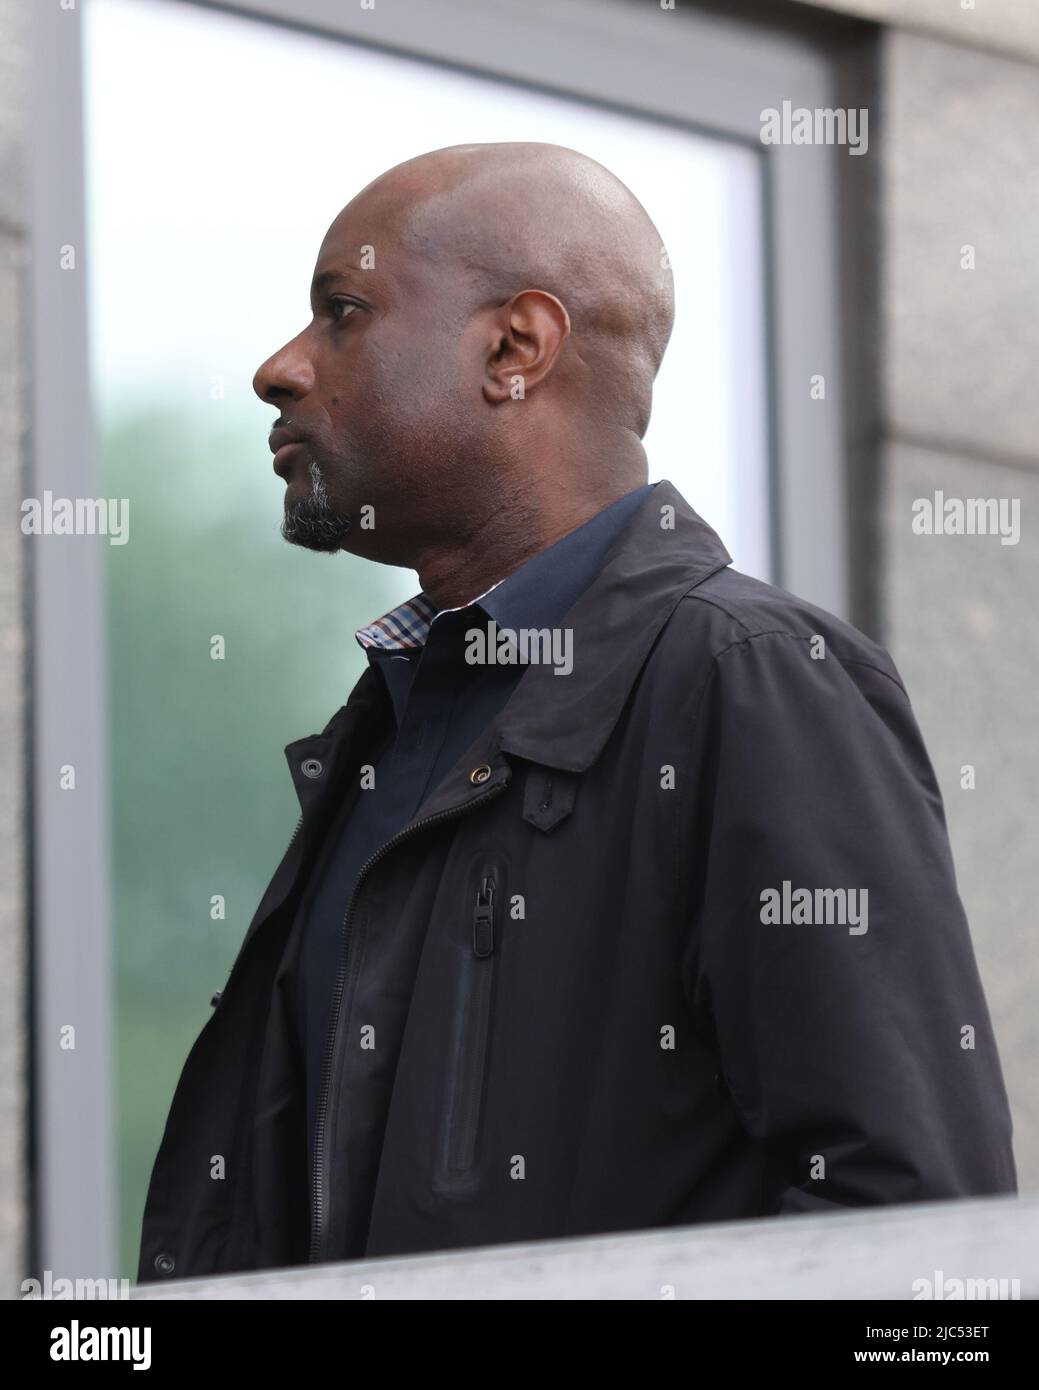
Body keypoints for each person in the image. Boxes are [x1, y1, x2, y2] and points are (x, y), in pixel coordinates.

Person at [137, 143, 1016, 1283]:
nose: (279, 369)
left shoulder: (749, 680)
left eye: (341, 314)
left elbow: (916, 1239)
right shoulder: (393, 725)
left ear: (517, 347)